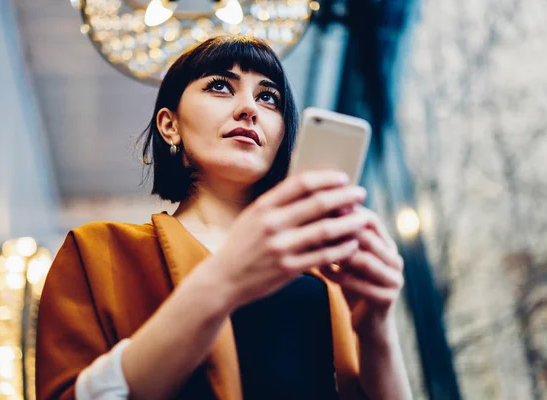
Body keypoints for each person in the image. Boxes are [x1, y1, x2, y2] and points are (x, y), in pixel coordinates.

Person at [36, 35, 412, 400]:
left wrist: (377, 327)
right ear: (170, 125)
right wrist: (222, 281)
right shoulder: (98, 251)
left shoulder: (329, 277)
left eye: (268, 98)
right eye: (220, 86)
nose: (249, 108)